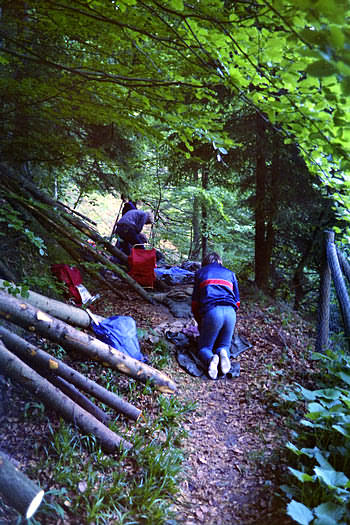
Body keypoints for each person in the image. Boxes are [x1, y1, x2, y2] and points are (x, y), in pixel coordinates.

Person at [191, 252, 240, 380]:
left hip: (212, 311)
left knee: (204, 348)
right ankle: (223, 353)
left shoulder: (200, 273)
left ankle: (211, 358)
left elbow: (195, 303)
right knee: (224, 345)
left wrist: (201, 323)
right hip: (231, 312)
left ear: (205, 262)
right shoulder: (230, 273)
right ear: (220, 261)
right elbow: (237, 302)